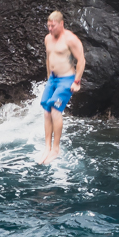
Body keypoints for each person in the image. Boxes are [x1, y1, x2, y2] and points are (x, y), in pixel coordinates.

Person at [39, 10, 85, 164]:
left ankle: (56, 149)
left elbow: (81, 60)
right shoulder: (47, 39)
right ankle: (47, 147)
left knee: (55, 110)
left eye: (53, 26)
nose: (50, 29)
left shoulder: (70, 39)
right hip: (53, 80)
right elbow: (48, 58)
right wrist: (48, 78)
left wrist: (77, 81)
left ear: (61, 24)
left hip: (67, 80)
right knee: (46, 111)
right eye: (48, 26)